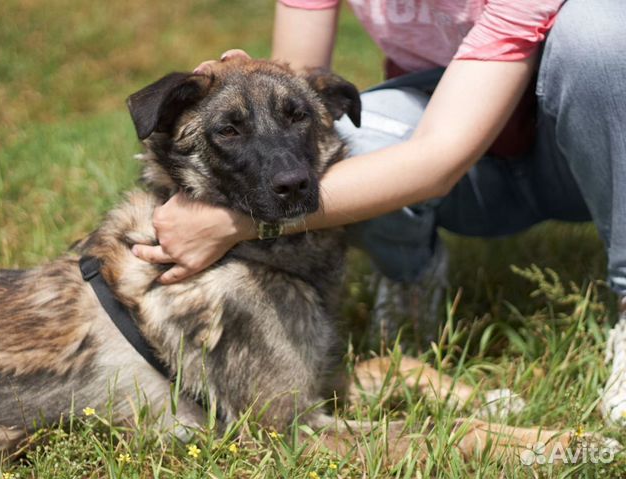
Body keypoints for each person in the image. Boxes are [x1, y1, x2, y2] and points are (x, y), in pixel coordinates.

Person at [132, 0, 626, 424]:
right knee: (341, 146)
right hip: (470, 159)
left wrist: (228, 223)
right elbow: (297, 93)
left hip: (585, 157)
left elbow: (438, 160)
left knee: (602, 34)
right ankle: (409, 274)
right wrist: (244, 82)